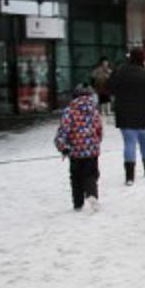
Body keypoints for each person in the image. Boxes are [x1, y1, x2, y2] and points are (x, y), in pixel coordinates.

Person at [108, 47, 145, 185]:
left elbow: (110, 88)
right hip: (144, 114)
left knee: (129, 143)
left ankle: (129, 176)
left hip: (125, 114)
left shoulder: (119, 72)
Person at [55, 83, 102, 212]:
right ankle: (92, 194)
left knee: (75, 177)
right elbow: (99, 129)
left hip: (75, 150)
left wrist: (63, 146)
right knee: (91, 174)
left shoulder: (69, 111)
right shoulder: (94, 110)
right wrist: (97, 142)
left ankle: (78, 203)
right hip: (91, 150)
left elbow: (63, 130)